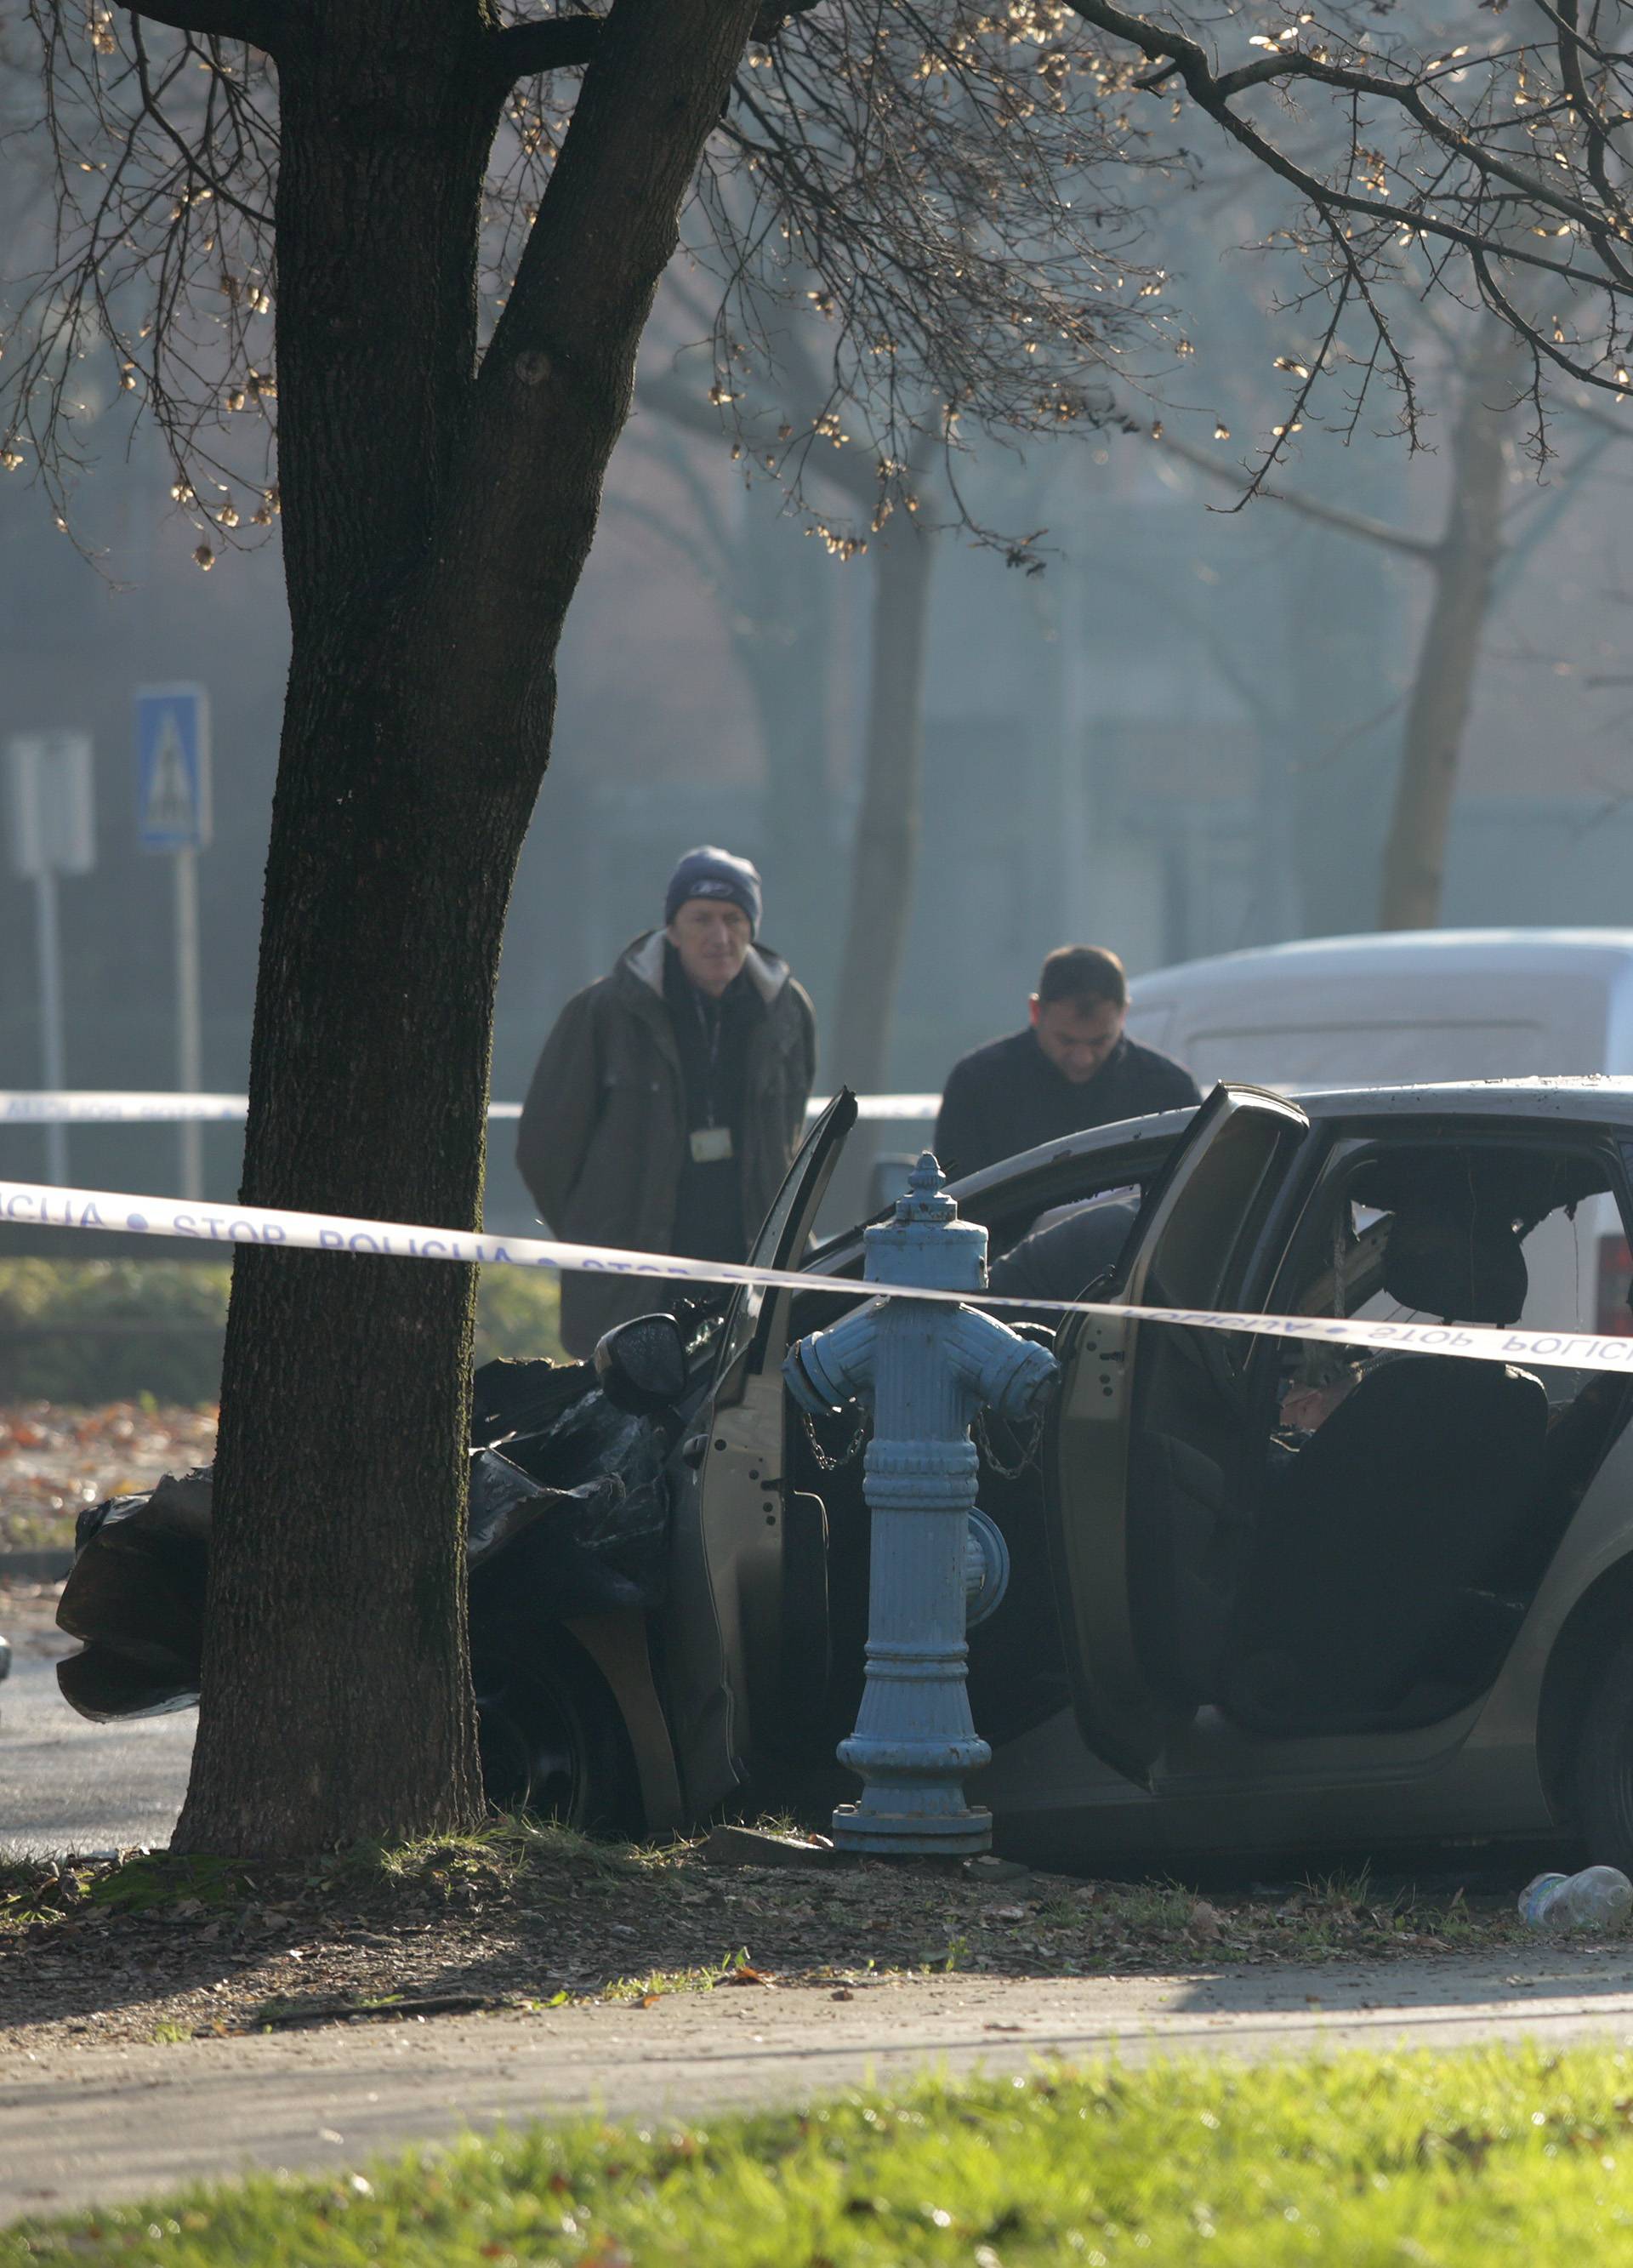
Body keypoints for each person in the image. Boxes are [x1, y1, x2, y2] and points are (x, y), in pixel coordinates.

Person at [517, 846, 817, 1359]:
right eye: (701, 919)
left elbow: (790, 1141)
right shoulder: (604, 1013)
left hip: (752, 1279)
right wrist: (600, 1232)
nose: (720, 937)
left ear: (753, 927)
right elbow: (545, 1151)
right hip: (632, 1286)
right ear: (672, 929)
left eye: (734, 919)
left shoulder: (788, 1014)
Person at [934, 945, 1201, 1182]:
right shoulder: (979, 1084)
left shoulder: (1169, 1090)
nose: (1082, 1058)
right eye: (1066, 1041)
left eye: (1099, 1042)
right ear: (1036, 1012)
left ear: (1123, 1014)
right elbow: (957, 1194)